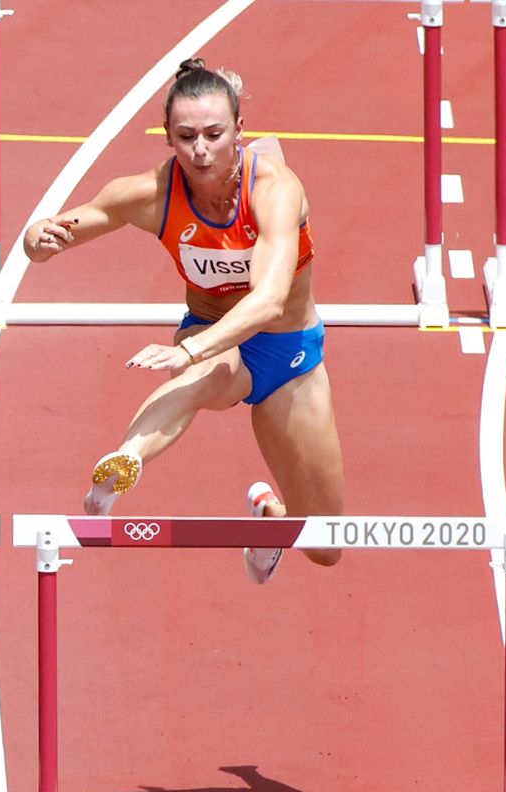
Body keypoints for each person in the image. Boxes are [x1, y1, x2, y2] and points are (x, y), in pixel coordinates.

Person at [21, 59, 343, 583]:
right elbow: (61, 231)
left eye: (214, 135)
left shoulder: (275, 190)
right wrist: (39, 238)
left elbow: (267, 300)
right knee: (211, 370)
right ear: (167, 135)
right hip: (216, 342)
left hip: (292, 354)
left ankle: (271, 519)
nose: (200, 150)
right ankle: (120, 467)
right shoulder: (149, 194)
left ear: (239, 130)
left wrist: (186, 350)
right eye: (186, 135)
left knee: (326, 545)